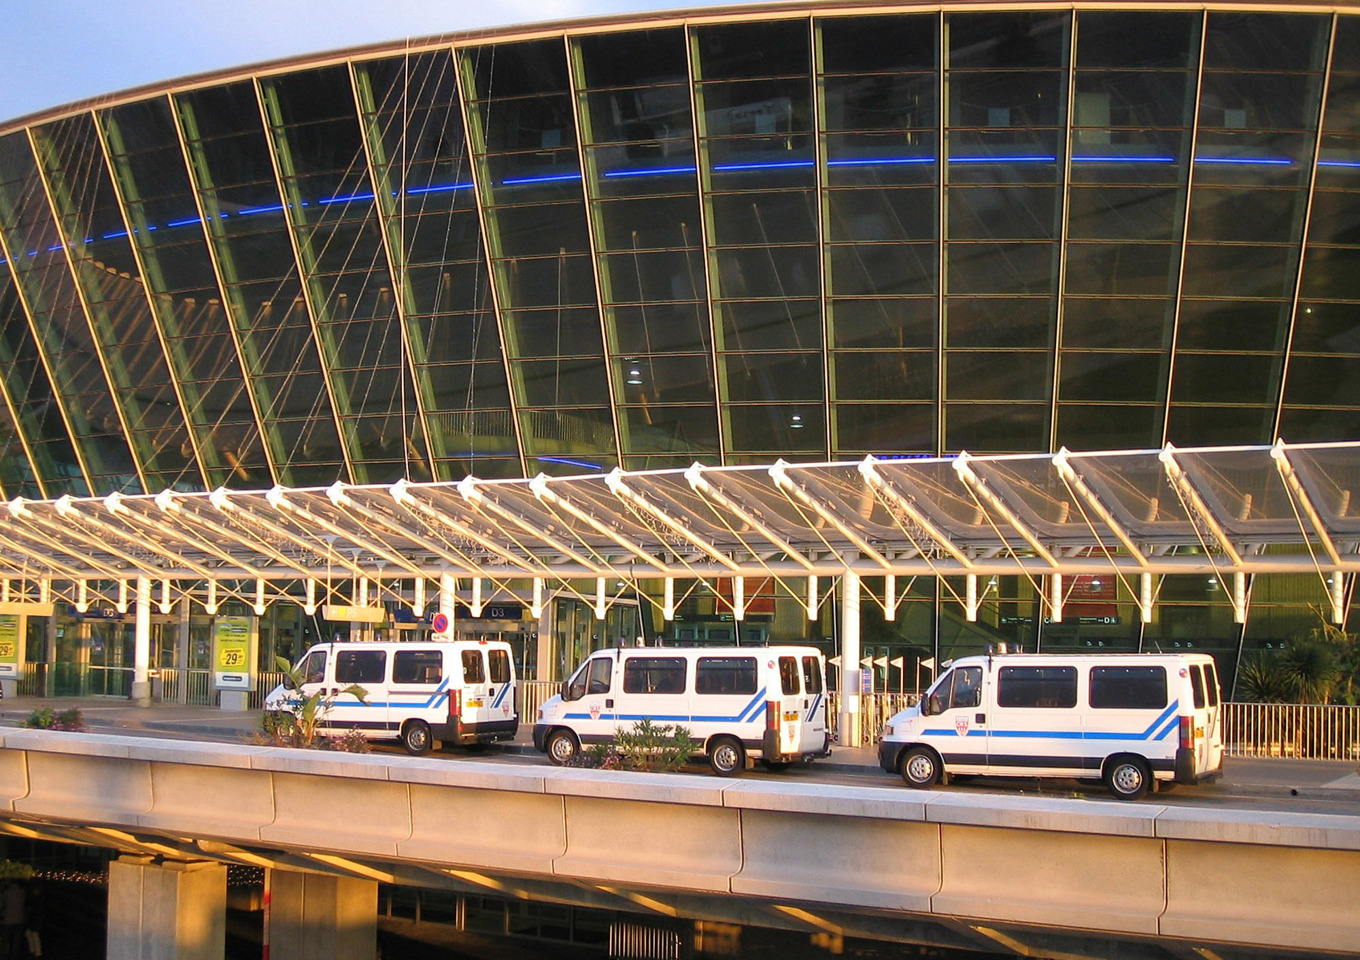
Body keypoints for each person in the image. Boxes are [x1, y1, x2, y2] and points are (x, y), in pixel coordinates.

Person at [0, 879, 25, 959]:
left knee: (6, 940)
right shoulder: (22, 892)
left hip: (8, 919)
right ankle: (14, 956)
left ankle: (4, 955)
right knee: (16, 941)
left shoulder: (6, 893)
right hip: (19, 919)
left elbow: (2, 905)